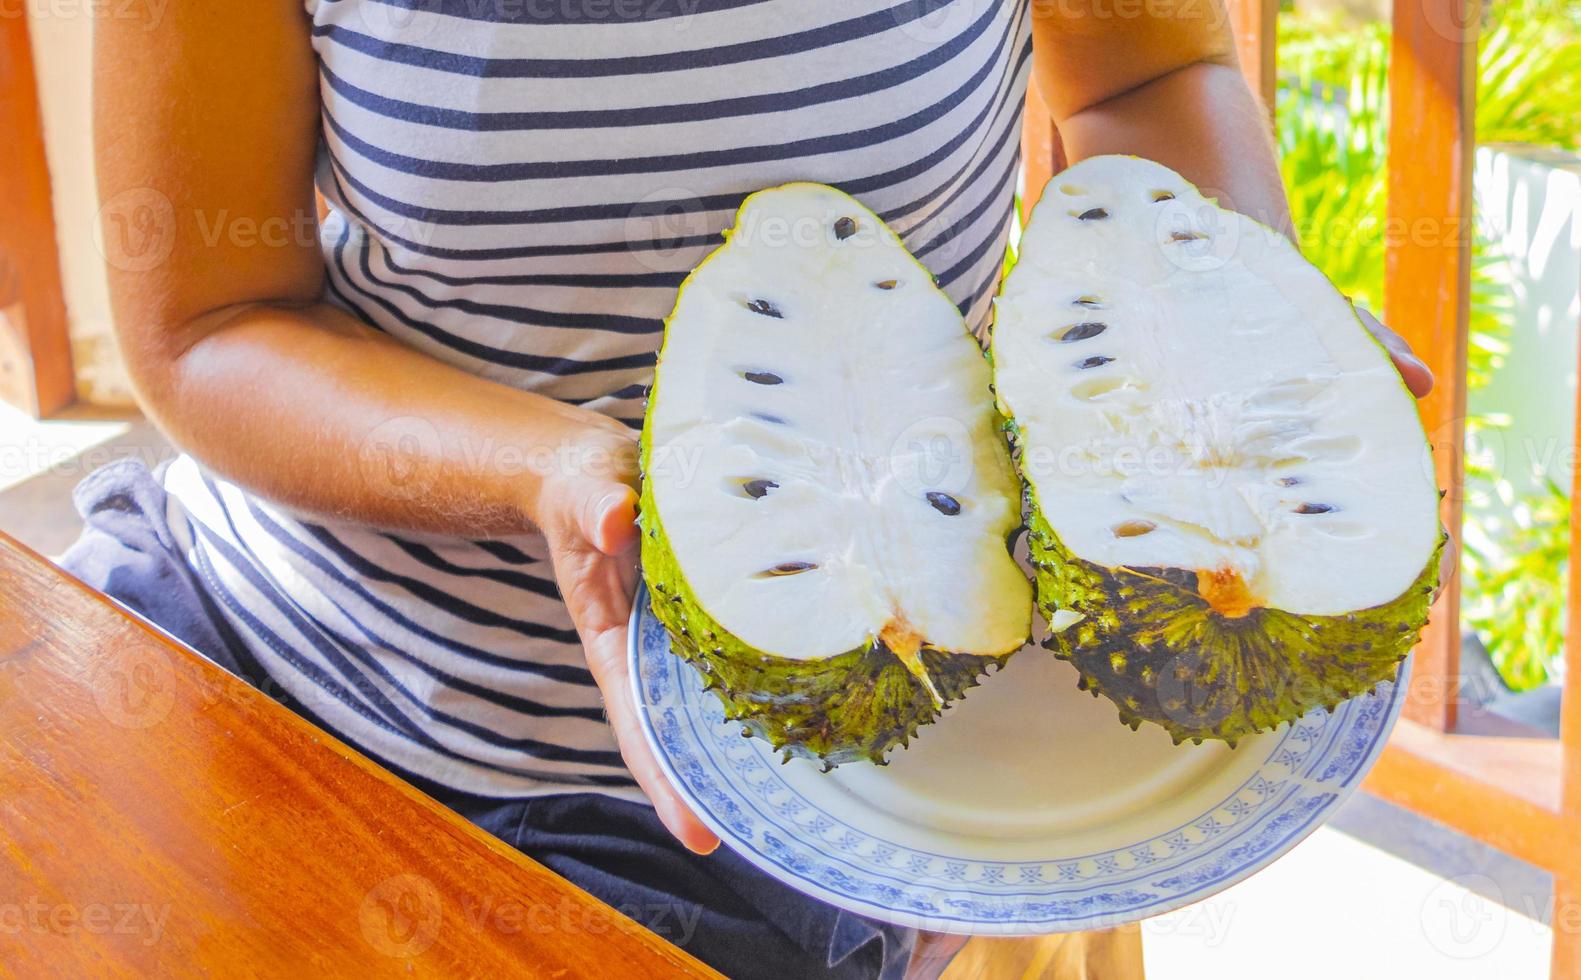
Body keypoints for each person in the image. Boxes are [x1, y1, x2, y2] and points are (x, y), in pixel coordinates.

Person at [77, 2, 1431, 977]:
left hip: (825, 778)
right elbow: (210, 320)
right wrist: (544, 473)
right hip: (279, 677)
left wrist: (1231, 305)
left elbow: (1142, 65)